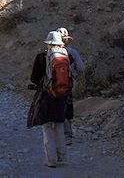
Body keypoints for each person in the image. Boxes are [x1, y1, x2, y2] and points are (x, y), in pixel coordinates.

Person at [27, 31, 71, 168]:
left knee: (47, 127)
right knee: (58, 125)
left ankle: (51, 159)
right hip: (63, 94)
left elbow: (34, 78)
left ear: (49, 43)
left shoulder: (42, 56)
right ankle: (62, 157)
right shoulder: (67, 55)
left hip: (47, 94)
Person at [56, 27, 85, 145]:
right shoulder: (72, 52)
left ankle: (60, 134)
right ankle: (68, 134)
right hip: (69, 82)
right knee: (67, 107)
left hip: (54, 84)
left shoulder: (50, 53)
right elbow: (82, 68)